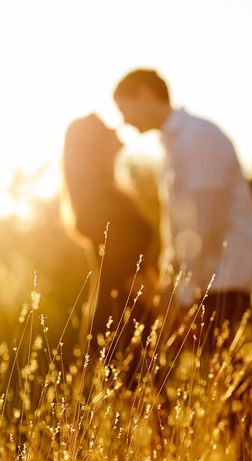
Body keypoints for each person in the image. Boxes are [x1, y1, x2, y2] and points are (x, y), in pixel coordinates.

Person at [113, 69, 252, 351]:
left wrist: (182, 291)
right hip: (204, 282)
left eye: (125, 110)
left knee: (233, 382)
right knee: (221, 380)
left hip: (223, 278)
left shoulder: (198, 137)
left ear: (145, 95)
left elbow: (205, 221)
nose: (125, 121)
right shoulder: (169, 149)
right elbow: (179, 228)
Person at [62, 113, 160, 353]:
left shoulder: (111, 193)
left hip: (132, 311)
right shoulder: (99, 202)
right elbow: (126, 268)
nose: (117, 132)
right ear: (93, 147)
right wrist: (166, 311)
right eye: (108, 130)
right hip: (120, 319)